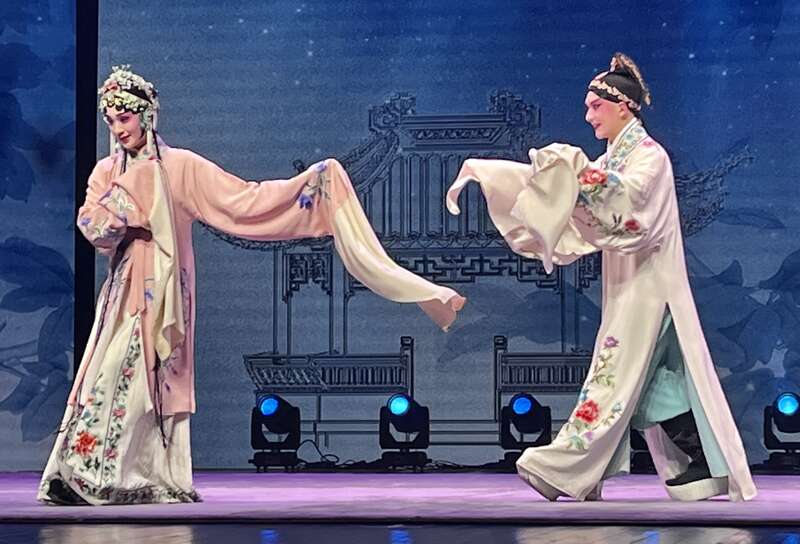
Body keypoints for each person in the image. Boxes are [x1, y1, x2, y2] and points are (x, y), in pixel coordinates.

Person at [38, 66, 465, 505]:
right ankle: (86, 472)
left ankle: (136, 476)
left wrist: (313, 186)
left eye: (124, 118)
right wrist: (121, 209)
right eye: (110, 120)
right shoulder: (106, 172)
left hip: (164, 293)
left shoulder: (181, 167)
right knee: (110, 372)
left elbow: (245, 200)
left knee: (151, 377)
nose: (117, 129)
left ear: (147, 115)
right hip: (125, 291)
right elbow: (92, 224)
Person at [446, 53, 756, 502]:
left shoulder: (649, 158)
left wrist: (574, 171)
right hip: (632, 286)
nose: (589, 116)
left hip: (651, 289)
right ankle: (701, 463)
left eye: (596, 107)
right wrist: (515, 179)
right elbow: (581, 200)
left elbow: (625, 207)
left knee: (612, 377)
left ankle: (564, 469)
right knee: (650, 381)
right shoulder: (616, 159)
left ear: (623, 107)